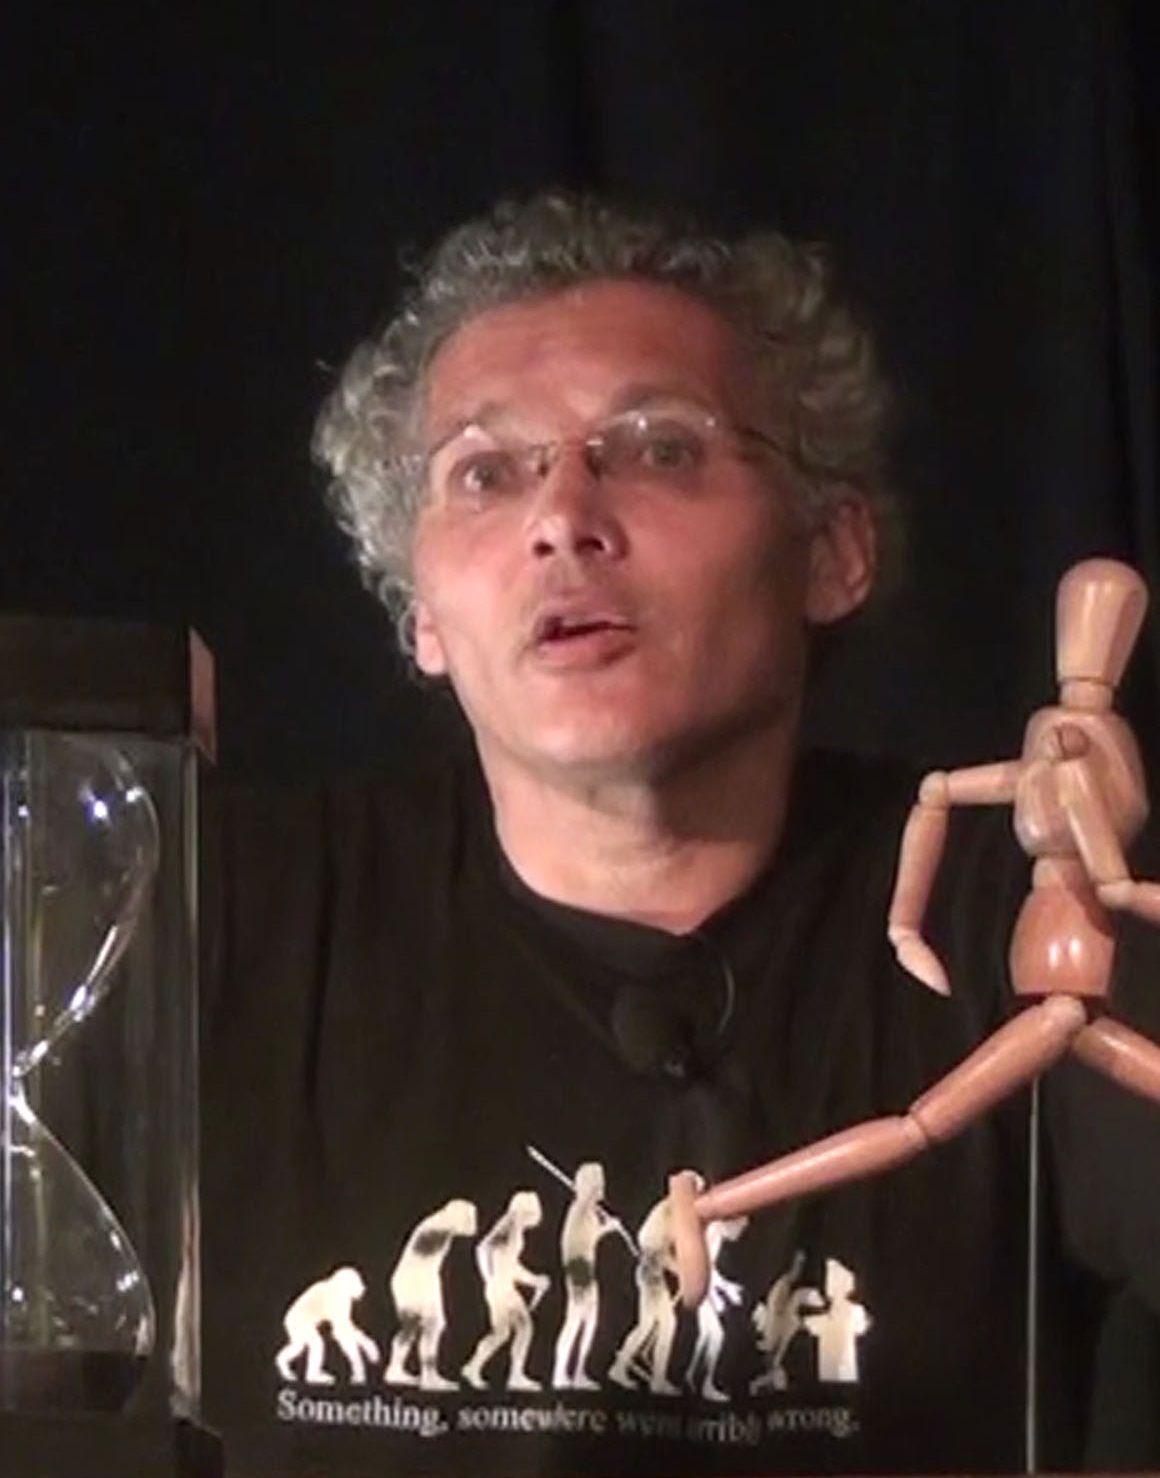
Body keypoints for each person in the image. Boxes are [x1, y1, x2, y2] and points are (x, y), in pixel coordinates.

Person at [199, 192, 1160, 1477]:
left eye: (657, 448)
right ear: (419, 611)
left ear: (830, 551)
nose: (562, 517)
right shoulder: (229, 912)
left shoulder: (1009, 901)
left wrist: (1104, 879)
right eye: (484, 471)